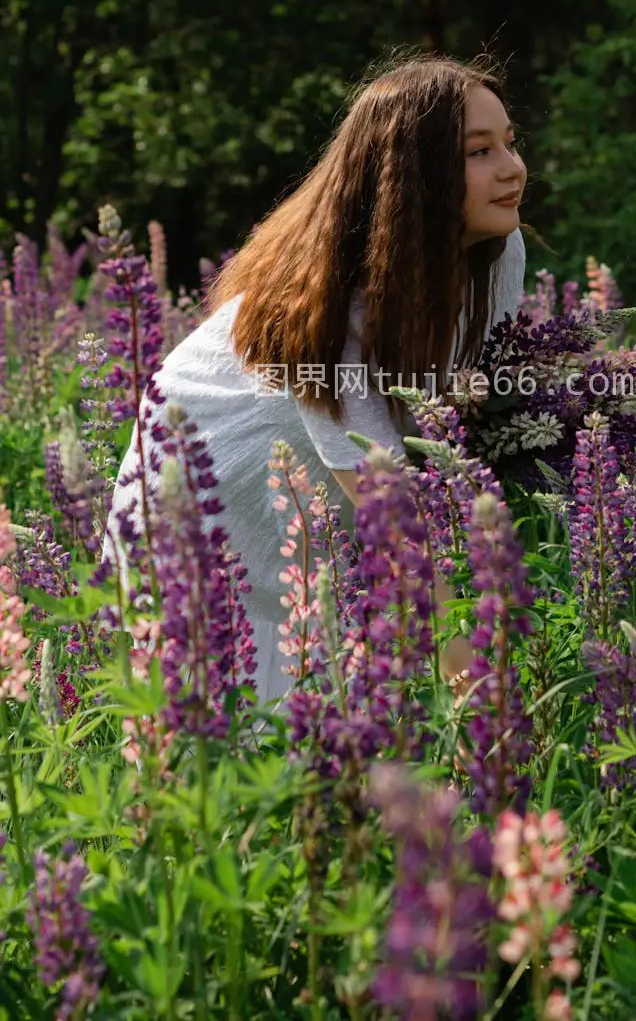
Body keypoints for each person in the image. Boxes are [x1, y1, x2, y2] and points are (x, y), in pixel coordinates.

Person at [102, 54, 528, 703]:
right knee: (219, 780)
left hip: (312, 531)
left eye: (509, 142)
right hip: (192, 538)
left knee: (336, 773)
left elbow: (447, 417)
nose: (511, 167)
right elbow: (385, 505)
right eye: (479, 152)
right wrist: (478, 690)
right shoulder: (331, 303)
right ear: (414, 176)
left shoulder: (499, 256)